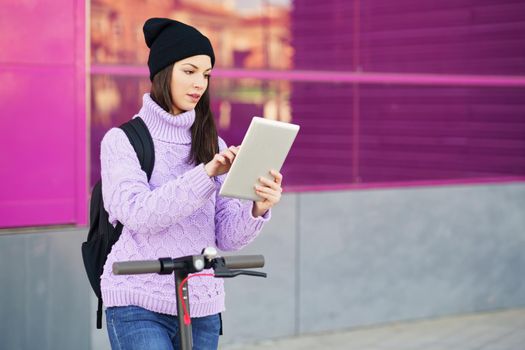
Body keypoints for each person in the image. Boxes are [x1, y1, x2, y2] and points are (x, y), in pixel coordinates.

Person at [99, 17, 282, 350]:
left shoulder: (214, 145)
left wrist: (257, 206)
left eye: (207, 74)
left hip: (201, 305)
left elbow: (226, 236)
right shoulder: (122, 141)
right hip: (137, 302)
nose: (200, 82)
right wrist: (205, 175)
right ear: (163, 72)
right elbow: (140, 214)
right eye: (190, 71)